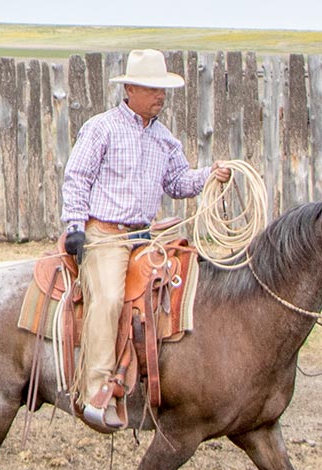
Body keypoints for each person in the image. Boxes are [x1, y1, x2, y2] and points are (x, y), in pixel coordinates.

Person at [60, 48, 231, 431]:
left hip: (145, 237)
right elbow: (78, 177)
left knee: (181, 286)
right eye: (153, 89)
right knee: (108, 298)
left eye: (163, 90)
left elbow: (178, 182)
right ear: (131, 89)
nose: (161, 97)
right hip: (105, 234)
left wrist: (210, 175)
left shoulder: (164, 140)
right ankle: (95, 391)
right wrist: (75, 226)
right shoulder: (101, 128)